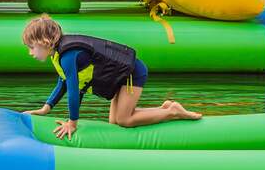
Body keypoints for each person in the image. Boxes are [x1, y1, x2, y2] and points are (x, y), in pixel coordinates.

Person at [22, 14, 202, 139]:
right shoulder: (58, 55)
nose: (30, 53)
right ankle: (164, 108)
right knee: (114, 121)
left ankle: (172, 112)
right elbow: (62, 82)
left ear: (44, 42)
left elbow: (73, 91)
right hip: (120, 77)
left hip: (131, 73)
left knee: (124, 120)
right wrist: (46, 108)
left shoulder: (68, 56)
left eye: (31, 47)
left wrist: (72, 123)